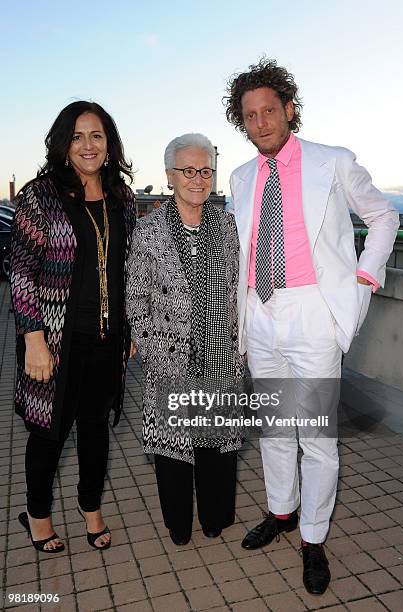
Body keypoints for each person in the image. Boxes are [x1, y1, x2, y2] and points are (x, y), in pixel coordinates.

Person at [224, 58, 399, 593]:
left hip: (311, 313)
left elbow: (383, 215)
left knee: (317, 437)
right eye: (250, 116)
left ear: (289, 109)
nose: (261, 123)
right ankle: (282, 513)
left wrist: (366, 276)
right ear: (243, 122)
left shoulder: (333, 161)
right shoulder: (240, 176)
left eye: (269, 111)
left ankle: (314, 538)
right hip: (260, 313)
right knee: (275, 430)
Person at [10, 101, 137, 552]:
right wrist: (34, 341)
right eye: (78, 136)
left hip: (107, 340)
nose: (88, 145)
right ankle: (38, 516)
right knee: (49, 433)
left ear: (109, 144)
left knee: (95, 429)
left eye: (97, 136)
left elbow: (131, 270)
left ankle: (91, 510)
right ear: (64, 144)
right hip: (57, 341)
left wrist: (133, 331)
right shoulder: (40, 195)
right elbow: (22, 270)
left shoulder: (122, 198)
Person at [126, 133, 245, 545]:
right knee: (174, 452)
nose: (198, 178)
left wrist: (239, 347)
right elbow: (136, 301)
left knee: (215, 446)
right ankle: (178, 524)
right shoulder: (149, 230)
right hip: (170, 359)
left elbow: (241, 289)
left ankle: (214, 517)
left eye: (206, 170)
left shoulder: (227, 224)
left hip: (221, 359)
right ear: (169, 176)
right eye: (188, 170)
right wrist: (157, 354)